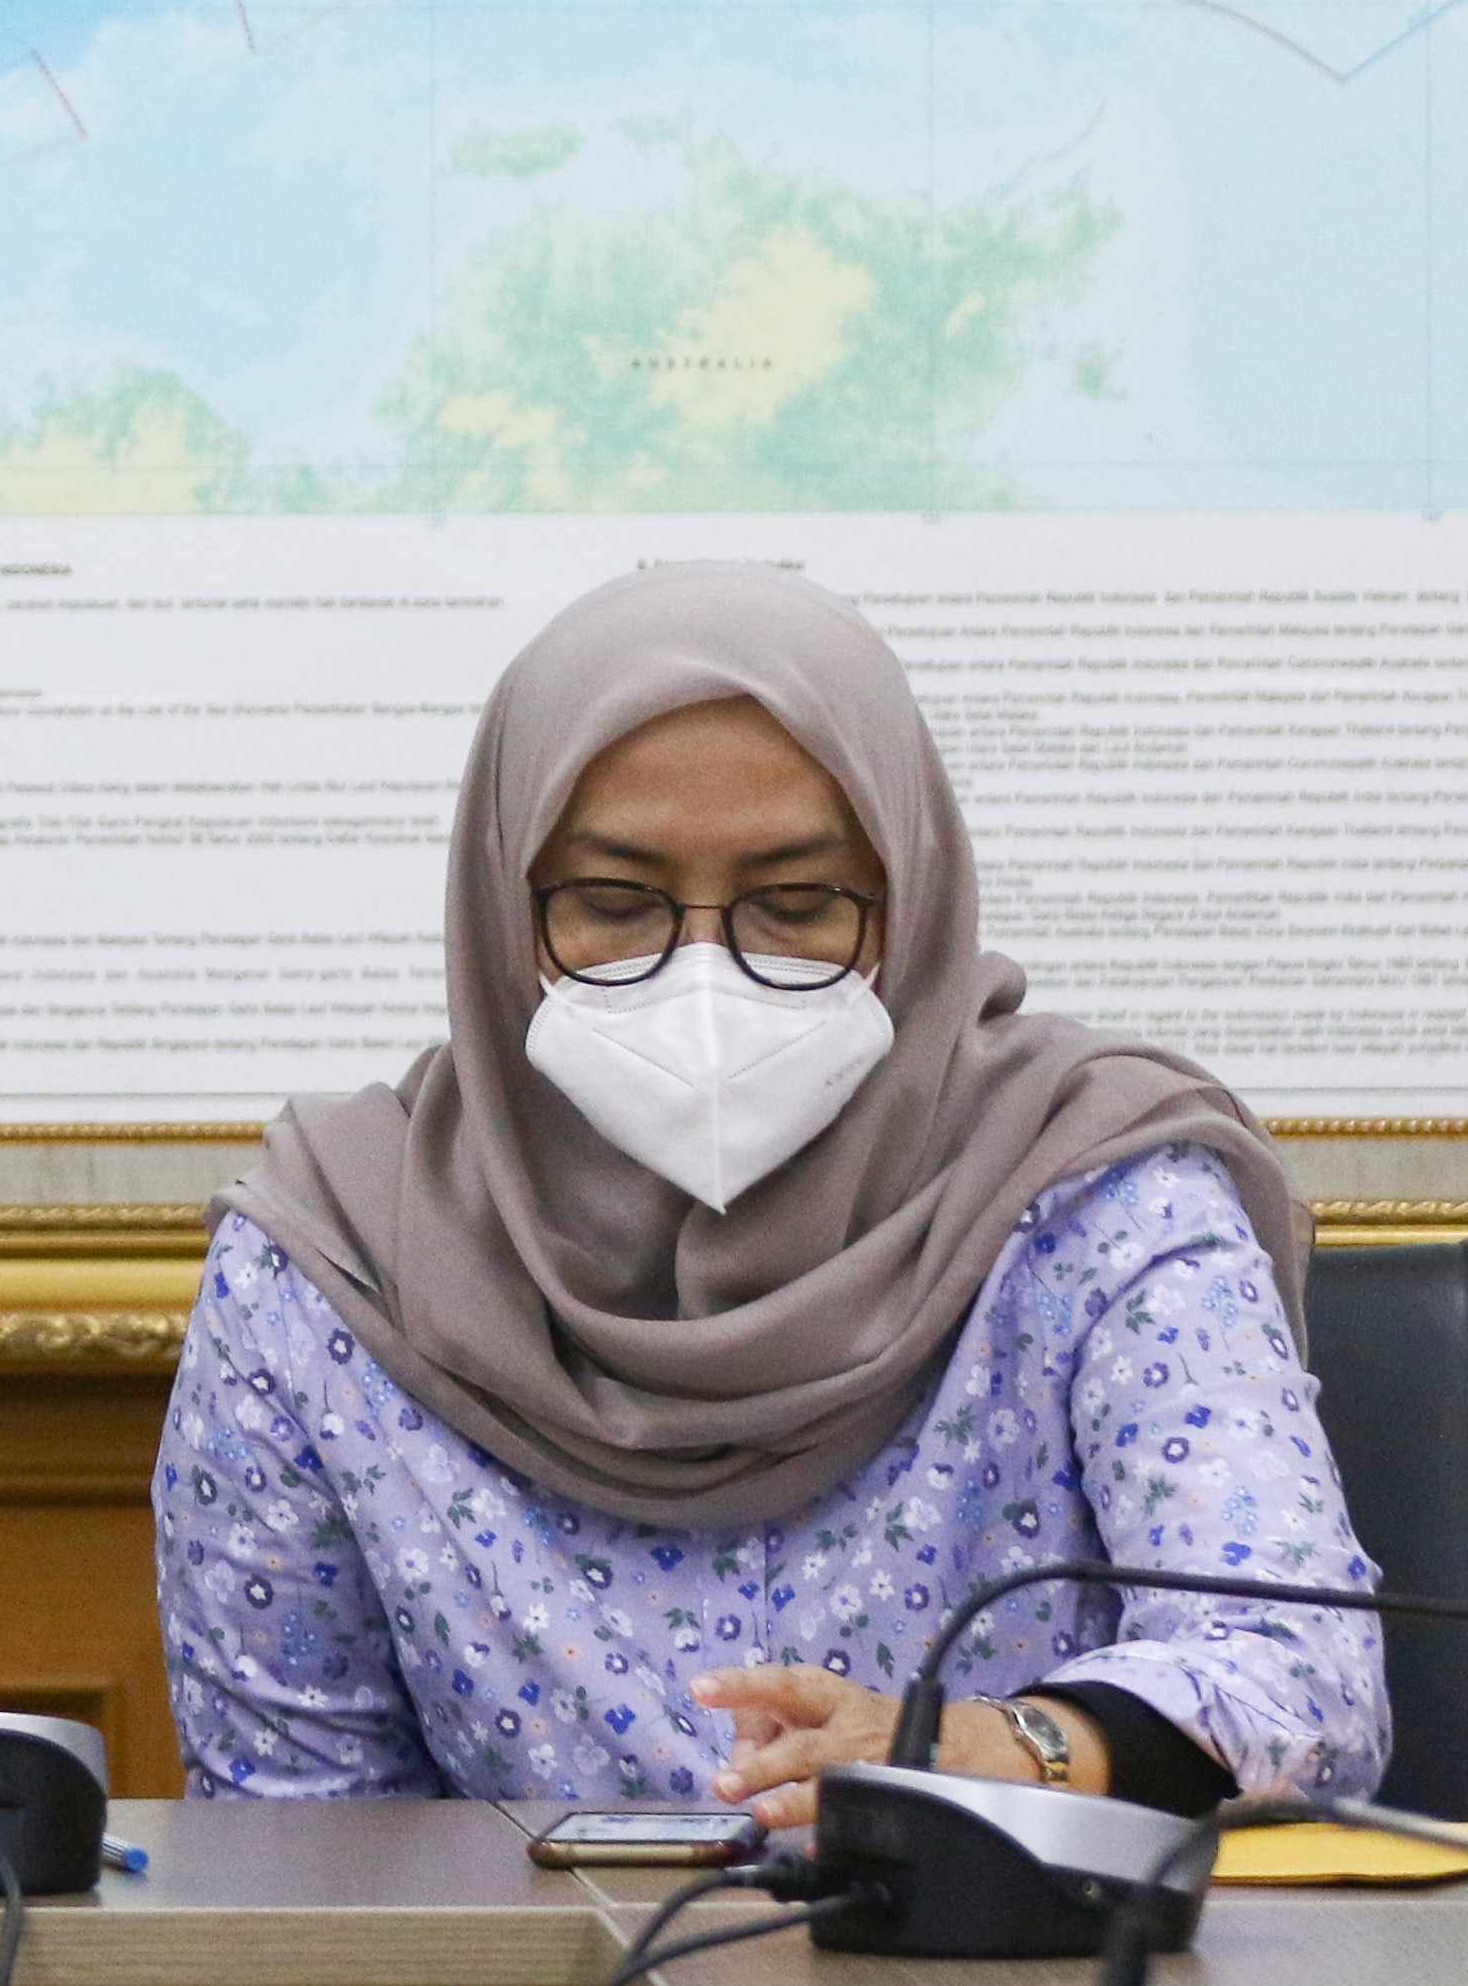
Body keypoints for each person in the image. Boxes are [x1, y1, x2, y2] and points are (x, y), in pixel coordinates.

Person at [158, 563, 1383, 1824]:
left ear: (909, 896)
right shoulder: (330, 1268)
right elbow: (294, 1845)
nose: (702, 974)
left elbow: (1305, 1680)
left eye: (797, 904)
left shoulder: (1093, 1189)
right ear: (499, 906)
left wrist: (1004, 1750)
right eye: (614, 904)